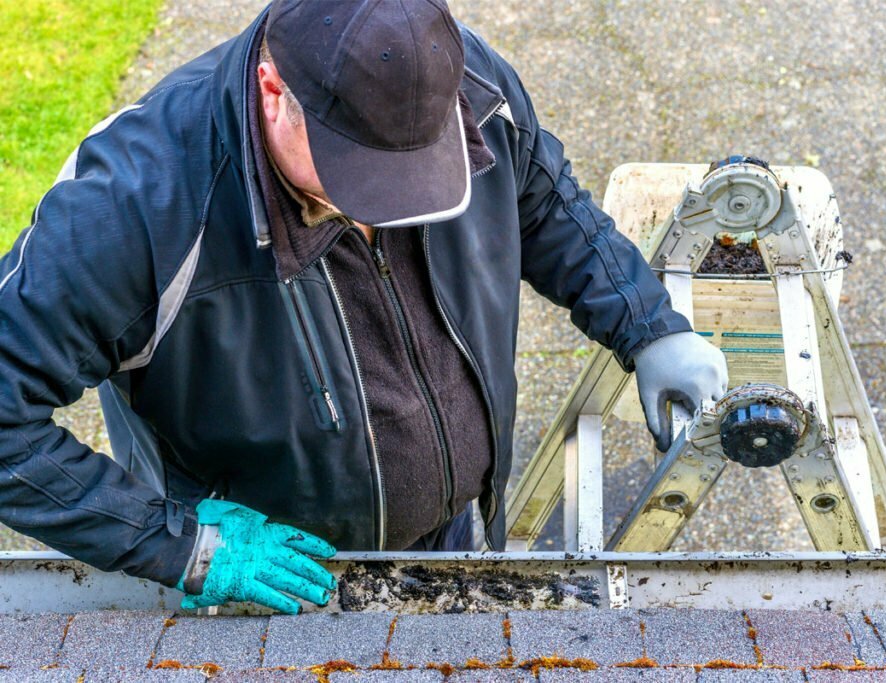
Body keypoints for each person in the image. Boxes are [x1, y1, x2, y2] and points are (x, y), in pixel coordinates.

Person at [0, 0, 728, 614]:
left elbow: (541, 203)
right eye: (363, 176)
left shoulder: (454, 82)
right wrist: (180, 543)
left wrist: (647, 322)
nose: (391, 210)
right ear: (272, 89)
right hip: (262, 579)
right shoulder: (132, 209)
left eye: (418, 174)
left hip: (448, 542)